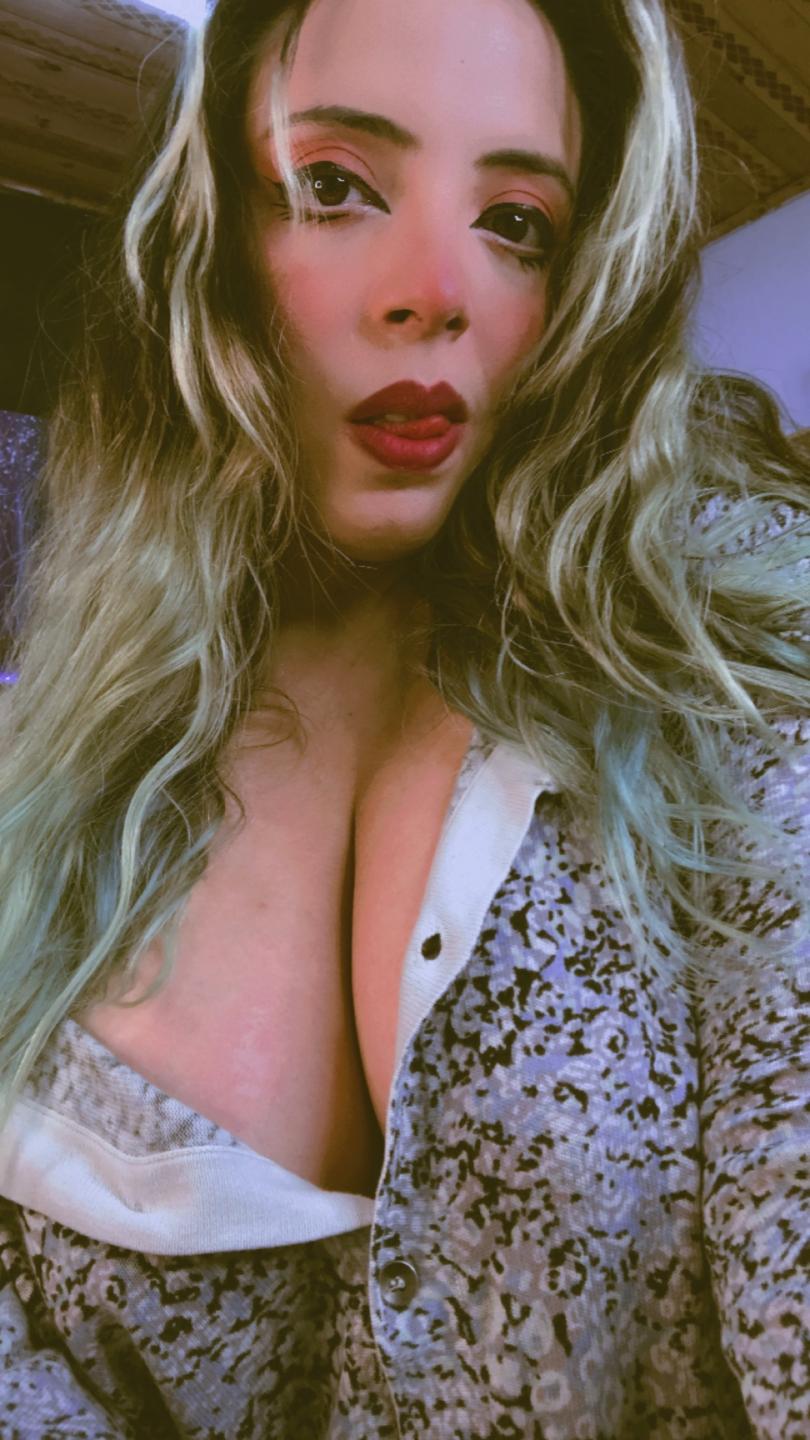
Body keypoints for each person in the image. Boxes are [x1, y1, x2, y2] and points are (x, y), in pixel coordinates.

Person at [0, 0, 807, 1433]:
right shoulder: (60, 760)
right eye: (334, 185)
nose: (436, 292)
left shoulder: (719, 648)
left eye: (515, 223)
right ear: (210, 237)